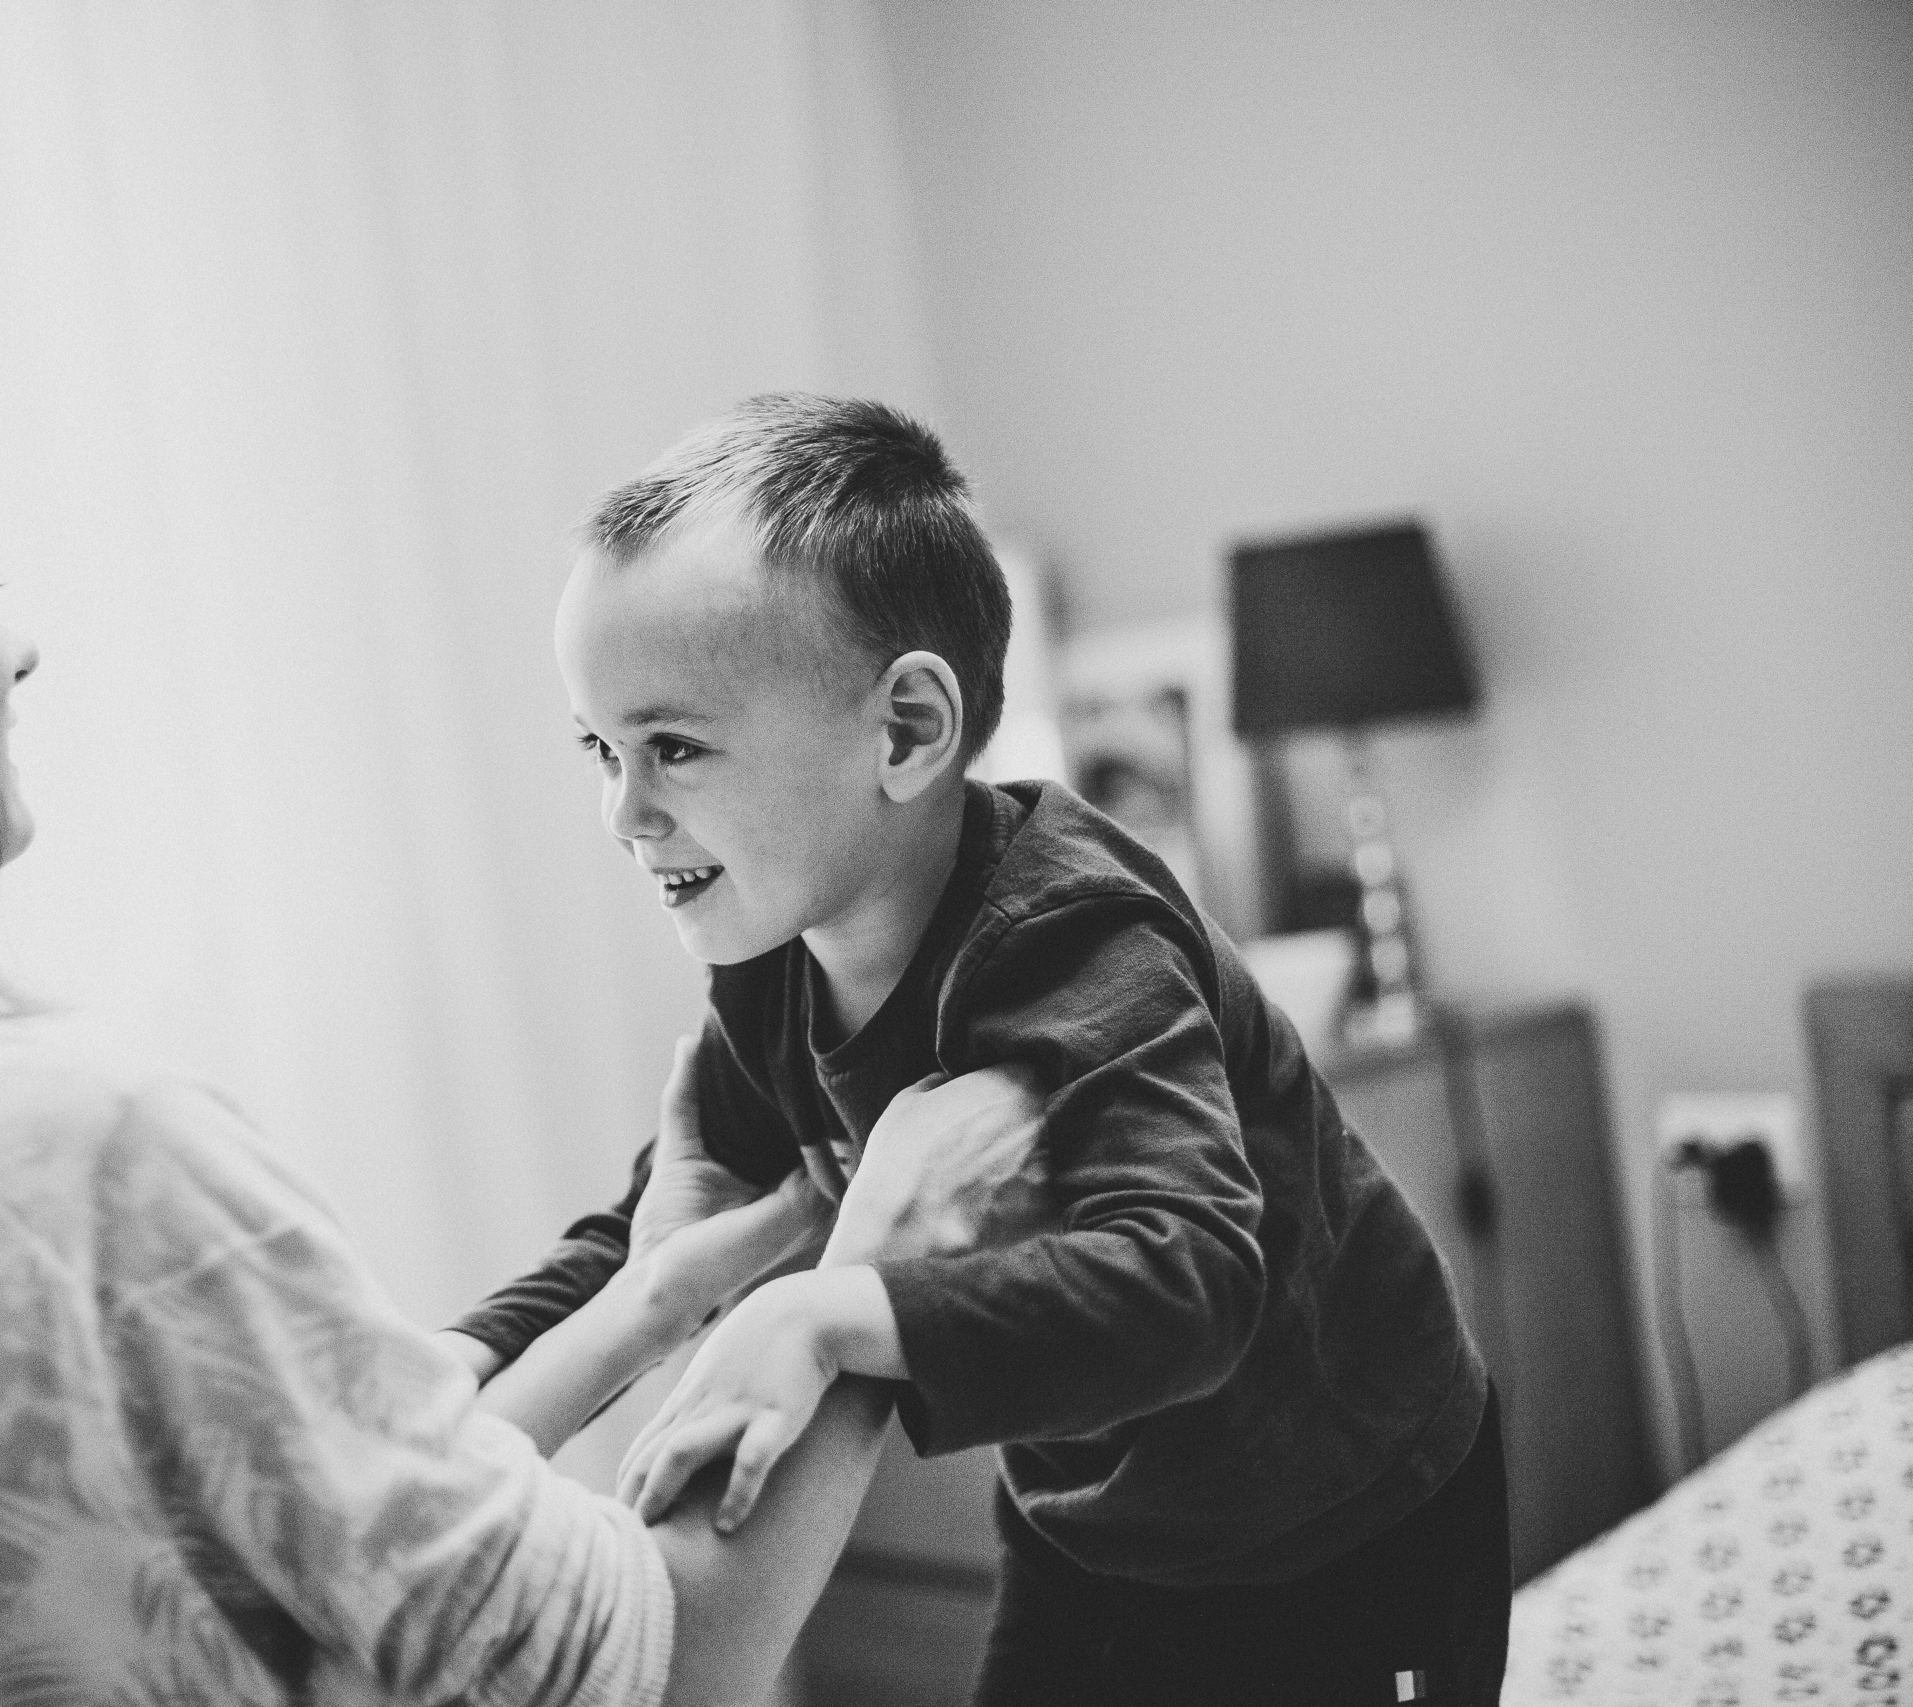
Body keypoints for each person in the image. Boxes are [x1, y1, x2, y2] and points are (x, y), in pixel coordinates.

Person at [0, 319, 956, 1707]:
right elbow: (656, 1665)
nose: (19, 643)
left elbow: (307, 1552)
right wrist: (884, 1263)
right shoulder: (70, 1153)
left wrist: (656, 1298)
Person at [440, 394, 1513, 1705]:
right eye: (600, 749)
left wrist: (822, 1314)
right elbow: (671, 1215)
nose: (623, 810)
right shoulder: (775, 961)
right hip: (1094, 1518)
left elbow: (1190, 1280)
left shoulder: (1076, 940)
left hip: (1341, 1510)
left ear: (905, 730)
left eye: (673, 747)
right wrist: (454, 1368)